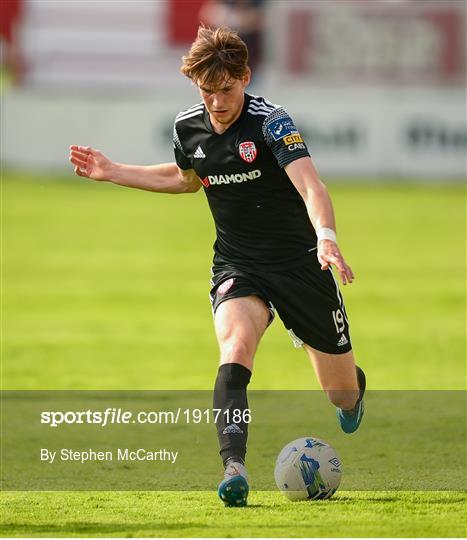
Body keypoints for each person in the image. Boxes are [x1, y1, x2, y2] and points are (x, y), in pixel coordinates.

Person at [69, 25, 366, 508]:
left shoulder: (271, 123)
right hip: (238, 263)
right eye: (207, 92)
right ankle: (234, 467)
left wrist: (327, 240)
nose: (216, 103)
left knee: (340, 395)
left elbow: (311, 185)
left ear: (245, 77)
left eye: (226, 90)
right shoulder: (188, 126)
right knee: (235, 348)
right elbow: (187, 179)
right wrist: (113, 171)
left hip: (300, 264)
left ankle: (353, 388)